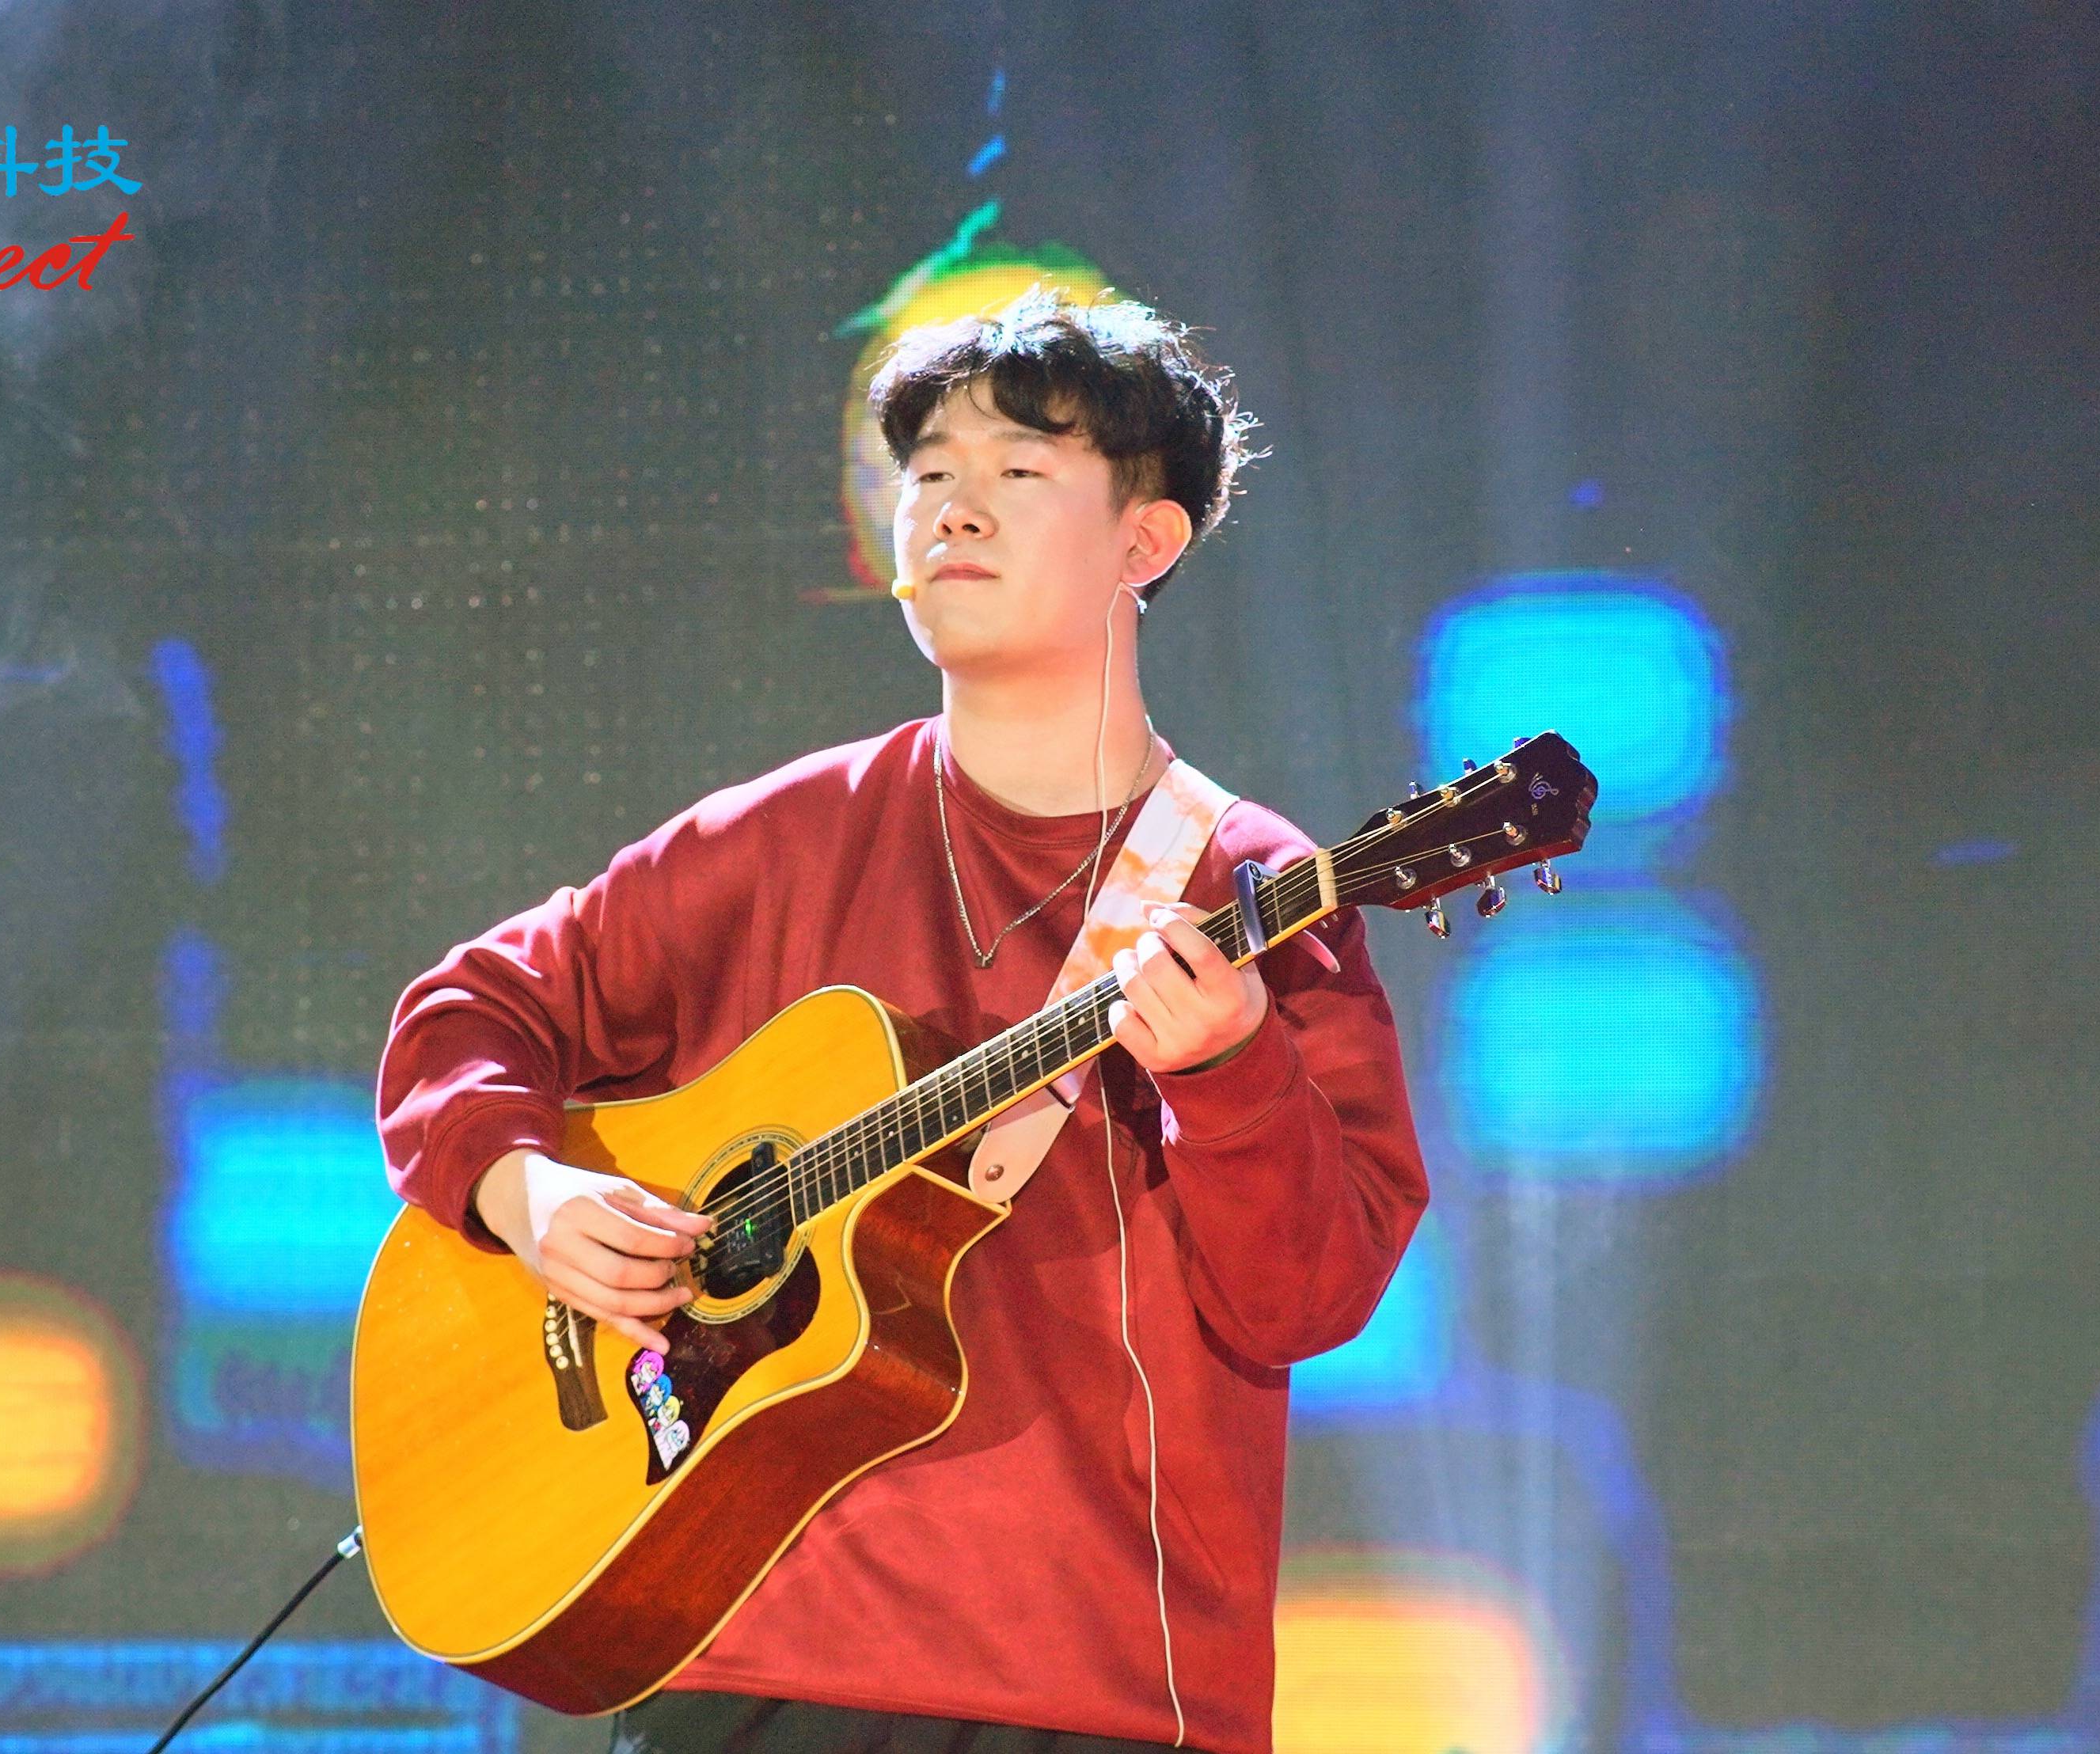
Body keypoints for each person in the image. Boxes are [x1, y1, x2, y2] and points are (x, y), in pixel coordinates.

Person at [375, 286, 1429, 1754]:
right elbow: (472, 1009)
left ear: (1146, 542)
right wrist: (526, 1190)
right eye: (929, 474)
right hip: (736, 1651)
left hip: (1091, 1686)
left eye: (1019, 471)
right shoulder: (784, 837)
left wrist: (1232, 1070)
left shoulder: (1247, 884)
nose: (953, 509)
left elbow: (1307, 1299)